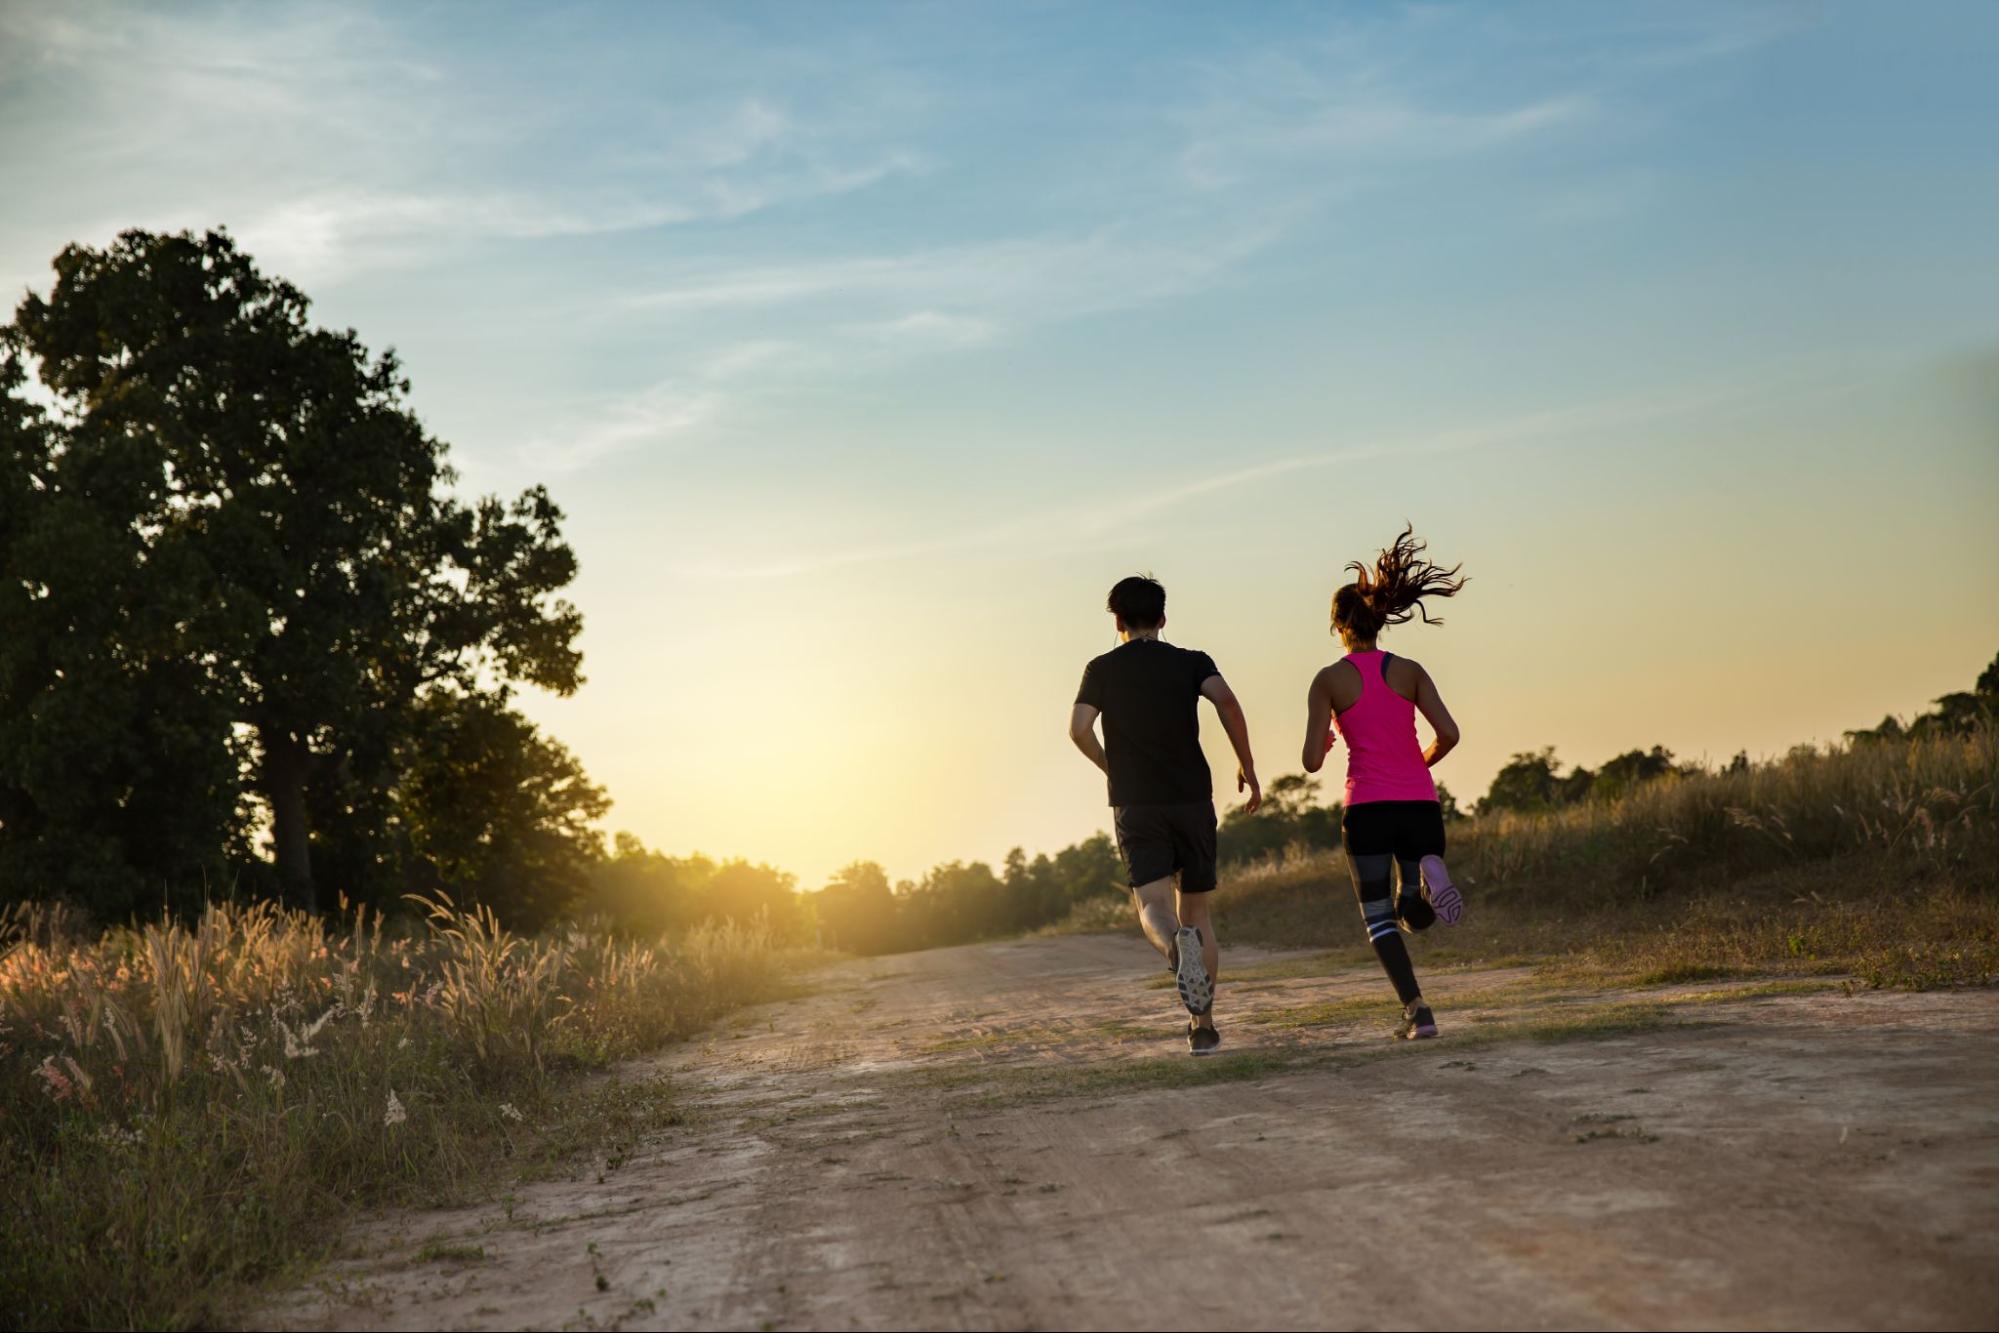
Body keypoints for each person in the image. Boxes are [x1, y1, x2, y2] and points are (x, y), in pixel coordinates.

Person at [1070, 575, 1261, 1056]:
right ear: (1162, 618)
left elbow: (1078, 729)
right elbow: (1228, 703)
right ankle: (1204, 1026)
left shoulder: (1101, 668)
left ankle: (1177, 949)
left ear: (1117, 621)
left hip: (1137, 802)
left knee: (1152, 906)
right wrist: (1247, 765)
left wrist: (1110, 765)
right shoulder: (1192, 662)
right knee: (1197, 912)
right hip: (1192, 798)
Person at [1301, 526, 1467, 1040]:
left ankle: (1417, 1010)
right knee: (1411, 910)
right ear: (1380, 619)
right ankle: (1427, 881)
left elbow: (1309, 762)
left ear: (1337, 626)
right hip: (1419, 804)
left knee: (1379, 918)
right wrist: (1418, 762)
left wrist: (1328, 742)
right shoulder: (1411, 669)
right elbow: (1449, 734)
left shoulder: (1328, 680)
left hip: (1368, 808)